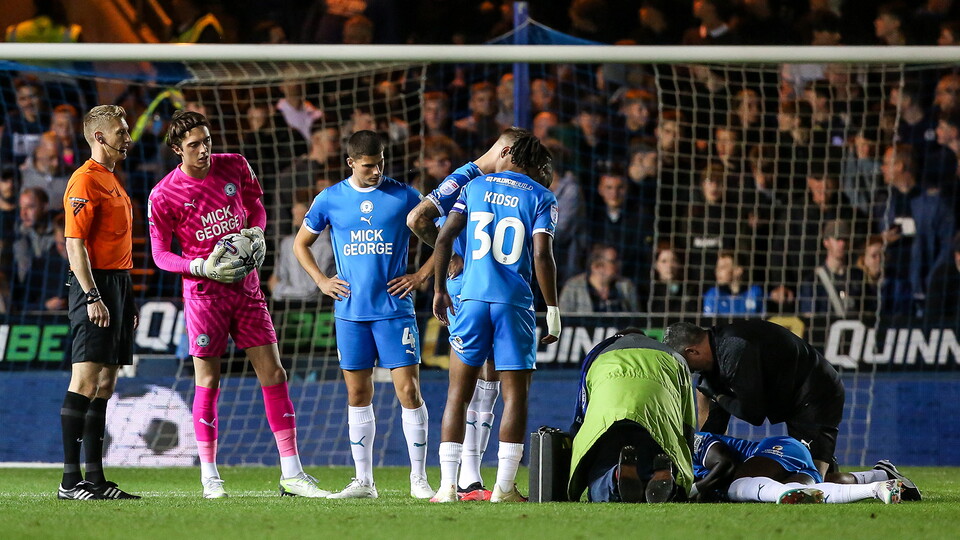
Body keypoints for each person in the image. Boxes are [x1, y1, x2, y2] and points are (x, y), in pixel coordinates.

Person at [149, 110, 327, 499]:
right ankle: (210, 476)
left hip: (246, 289)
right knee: (208, 382)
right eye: (194, 145)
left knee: (275, 373)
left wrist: (256, 233)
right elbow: (160, 255)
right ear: (177, 149)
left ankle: (292, 474)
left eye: (207, 140)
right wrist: (197, 265)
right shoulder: (163, 194)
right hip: (204, 295)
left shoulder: (234, 166)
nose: (203, 150)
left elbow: (257, 207)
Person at [293, 130, 435, 500]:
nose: (376, 171)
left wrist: (421, 275)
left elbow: (444, 234)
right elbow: (300, 244)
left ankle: (418, 479)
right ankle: (364, 482)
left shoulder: (404, 196)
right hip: (351, 313)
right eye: (369, 165)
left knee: (409, 390)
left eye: (380, 163)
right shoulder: (331, 198)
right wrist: (322, 282)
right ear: (351, 163)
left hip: (394, 310)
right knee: (358, 393)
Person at [430, 131, 560, 503]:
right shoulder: (542, 197)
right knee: (514, 396)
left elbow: (443, 239)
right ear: (533, 165)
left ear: (507, 153)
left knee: (458, 393)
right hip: (513, 304)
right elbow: (541, 256)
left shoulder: (474, 186)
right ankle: (503, 488)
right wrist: (551, 308)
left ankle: (446, 488)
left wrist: (440, 289)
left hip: (470, 297)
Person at [406, 128, 531, 501]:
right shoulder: (467, 177)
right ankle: (466, 477)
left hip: (482, 286)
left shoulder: (491, 181)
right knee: (471, 384)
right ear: (507, 151)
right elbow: (419, 220)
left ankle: (470, 478)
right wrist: (452, 262)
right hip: (472, 287)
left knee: (486, 382)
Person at [57, 105, 139, 500]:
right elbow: (75, 244)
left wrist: (129, 299)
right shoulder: (84, 181)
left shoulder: (112, 179)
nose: (128, 138)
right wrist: (92, 295)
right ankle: (69, 482)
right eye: (121, 132)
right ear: (100, 138)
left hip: (119, 284)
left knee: (105, 383)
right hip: (95, 285)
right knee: (85, 380)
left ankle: (95, 479)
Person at [663, 320, 844, 477]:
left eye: (684, 364)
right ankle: (834, 469)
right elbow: (716, 424)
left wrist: (717, 396)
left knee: (813, 479)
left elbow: (753, 414)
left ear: (692, 351)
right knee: (801, 470)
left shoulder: (735, 349)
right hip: (793, 399)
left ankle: (869, 480)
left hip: (817, 393)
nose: (688, 371)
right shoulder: (716, 358)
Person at [567, 329, 695, 503]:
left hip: (607, 420)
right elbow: (687, 419)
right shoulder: (675, 358)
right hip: (658, 421)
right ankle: (661, 473)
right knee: (654, 452)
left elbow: (582, 411)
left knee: (600, 474)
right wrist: (683, 461)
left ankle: (616, 475)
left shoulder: (598, 358)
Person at [692, 432, 902, 504]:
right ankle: (879, 483)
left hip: (780, 447)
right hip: (774, 471)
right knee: (807, 493)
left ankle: (783, 491)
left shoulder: (690, 440)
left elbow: (725, 464)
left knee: (736, 484)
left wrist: (695, 490)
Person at [559, 244, 638, 313]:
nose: (618, 265)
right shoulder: (573, 287)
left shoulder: (626, 286)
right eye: (613, 262)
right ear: (597, 266)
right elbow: (563, 319)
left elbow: (638, 320)